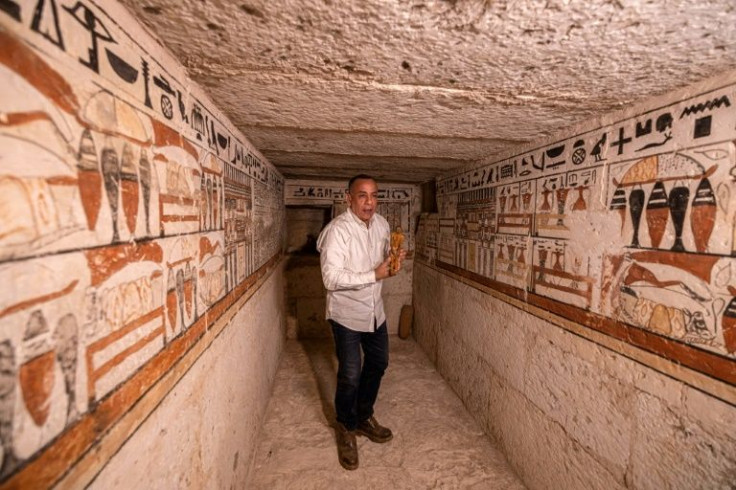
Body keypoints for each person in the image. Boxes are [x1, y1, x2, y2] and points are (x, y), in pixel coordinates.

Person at [316, 174, 406, 470]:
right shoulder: (336, 232)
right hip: (346, 315)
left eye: (374, 195)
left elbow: (383, 260)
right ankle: (345, 426)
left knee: (378, 364)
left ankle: (364, 416)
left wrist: (394, 259)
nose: (370, 202)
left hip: (374, 312)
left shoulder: (381, 224)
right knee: (350, 374)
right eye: (363, 196)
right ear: (349, 198)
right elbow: (331, 278)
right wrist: (374, 275)